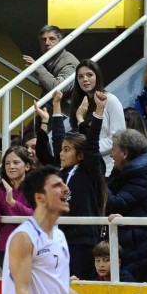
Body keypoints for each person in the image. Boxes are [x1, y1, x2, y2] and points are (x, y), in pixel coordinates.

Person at [49, 89, 107, 281]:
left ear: (80, 156)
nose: (61, 153)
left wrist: (98, 112)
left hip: (83, 241)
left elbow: (92, 145)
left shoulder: (88, 172)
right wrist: (56, 106)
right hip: (61, 238)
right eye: (62, 150)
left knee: (80, 287)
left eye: (67, 150)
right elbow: (57, 139)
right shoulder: (62, 173)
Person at [106, 129, 147, 283]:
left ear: (125, 154)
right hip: (134, 243)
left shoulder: (142, 176)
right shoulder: (125, 172)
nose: (111, 155)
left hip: (142, 246)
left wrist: (99, 183)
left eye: (114, 149)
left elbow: (117, 204)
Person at [65, 59, 125, 176]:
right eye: (80, 77)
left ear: (97, 76)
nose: (85, 79)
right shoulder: (79, 103)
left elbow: (117, 138)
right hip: (86, 167)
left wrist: (89, 148)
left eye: (89, 75)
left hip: (108, 168)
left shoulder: (111, 100)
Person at [0, 146, 34, 269]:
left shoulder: (37, 188)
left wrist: (13, 203)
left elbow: (37, 216)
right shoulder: (0, 191)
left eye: (16, 162)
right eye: (7, 163)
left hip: (31, 247)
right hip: (6, 248)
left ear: (27, 166)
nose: (11, 166)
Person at [23, 25, 79, 94]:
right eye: (44, 40)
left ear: (61, 42)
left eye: (52, 39)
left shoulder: (69, 61)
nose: (47, 43)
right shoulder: (48, 60)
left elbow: (59, 89)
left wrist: (38, 67)